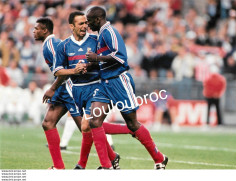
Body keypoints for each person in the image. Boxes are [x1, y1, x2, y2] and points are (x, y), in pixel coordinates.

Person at [85, 6, 168, 169]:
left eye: (89, 21)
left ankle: (159, 158)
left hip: (119, 81)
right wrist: (90, 65)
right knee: (94, 121)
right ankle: (108, 164)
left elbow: (120, 56)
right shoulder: (100, 35)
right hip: (105, 83)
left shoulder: (109, 32)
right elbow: (102, 60)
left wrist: (96, 58)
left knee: (132, 124)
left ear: (97, 19)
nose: (88, 25)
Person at [53, 11, 133, 170]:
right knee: (89, 127)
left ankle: (102, 165)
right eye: (81, 23)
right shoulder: (63, 45)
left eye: (85, 23)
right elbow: (58, 71)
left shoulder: (96, 40)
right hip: (77, 90)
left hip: (97, 87)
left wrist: (91, 64)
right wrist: (73, 72)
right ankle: (112, 156)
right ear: (72, 26)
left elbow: (106, 60)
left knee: (87, 125)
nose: (85, 26)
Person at [33, 17, 82, 169]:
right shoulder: (50, 44)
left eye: (36, 29)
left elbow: (62, 70)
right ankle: (58, 167)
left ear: (45, 30)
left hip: (68, 88)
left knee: (87, 128)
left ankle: (112, 158)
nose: (34, 31)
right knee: (48, 123)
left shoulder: (51, 45)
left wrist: (52, 88)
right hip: (62, 88)